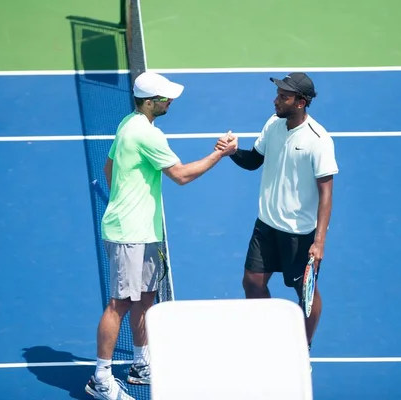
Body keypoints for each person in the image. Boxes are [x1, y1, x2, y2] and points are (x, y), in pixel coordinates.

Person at [86, 71, 238, 400]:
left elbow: (109, 169)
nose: (170, 101)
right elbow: (181, 176)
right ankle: (100, 377)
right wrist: (219, 154)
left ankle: (141, 365)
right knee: (120, 304)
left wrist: (125, 198)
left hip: (142, 229)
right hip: (129, 232)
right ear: (151, 101)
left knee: (145, 298)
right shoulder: (147, 135)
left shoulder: (129, 123)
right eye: (165, 97)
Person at [216, 72, 338, 351]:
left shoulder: (318, 140)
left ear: (300, 102)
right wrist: (233, 152)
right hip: (267, 225)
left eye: (284, 96)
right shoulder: (273, 124)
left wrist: (318, 243)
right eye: (278, 94)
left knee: (305, 296)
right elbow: (253, 161)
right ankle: (268, 337)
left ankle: (302, 347)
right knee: (252, 283)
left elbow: (326, 194)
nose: (276, 100)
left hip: (299, 234)